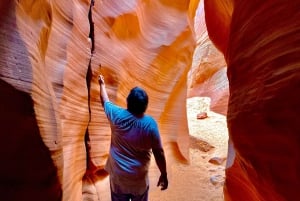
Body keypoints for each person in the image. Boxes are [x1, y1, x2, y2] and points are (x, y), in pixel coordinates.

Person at [98, 74, 168, 201]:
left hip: (118, 178)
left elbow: (105, 101)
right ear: (145, 106)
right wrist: (164, 174)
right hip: (138, 180)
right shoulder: (150, 125)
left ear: (128, 102)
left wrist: (102, 84)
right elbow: (159, 152)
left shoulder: (116, 115)